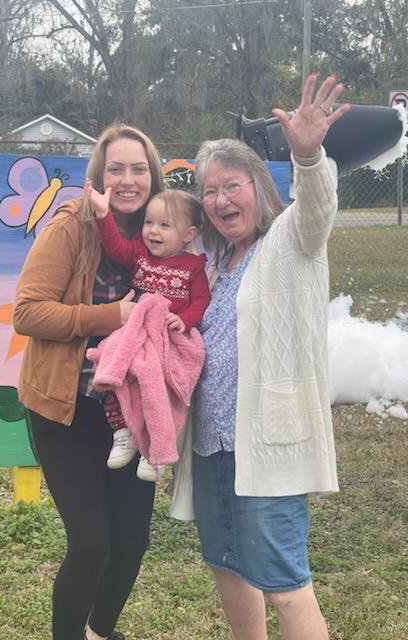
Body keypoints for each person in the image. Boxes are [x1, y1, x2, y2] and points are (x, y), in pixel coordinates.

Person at [171, 73, 351, 639]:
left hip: (267, 443)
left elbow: (318, 204)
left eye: (233, 185)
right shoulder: (213, 263)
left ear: (259, 186)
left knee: (283, 581)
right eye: (211, 190)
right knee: (227, 566)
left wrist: (308, 154)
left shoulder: (292, 240)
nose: (222, 199)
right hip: (213, 443)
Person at [13, 124, 165, 640]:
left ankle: (101, 631)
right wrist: (110, 316)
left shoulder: (159, 229)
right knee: (91, 543)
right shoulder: (70, 228)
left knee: (132, 540)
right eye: (116, 169)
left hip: (130, 414)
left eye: (139, 168)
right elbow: (28, 312)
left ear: (153, 176)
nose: (128, 179)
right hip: (66, 409)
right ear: (98, 176)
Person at [85, 185, 210, 480]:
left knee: (157, 391)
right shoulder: (139, 254)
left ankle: (156, 450)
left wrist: (185, 320)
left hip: (167, 337)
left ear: (189, 234)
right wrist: (103, 215)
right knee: (113, 369)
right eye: (149, 223)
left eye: (164, 225)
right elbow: (115, 246)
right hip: (136, 332)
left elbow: (201, 300)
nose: (153, 231)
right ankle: (123, 432)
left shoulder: (192, 267)